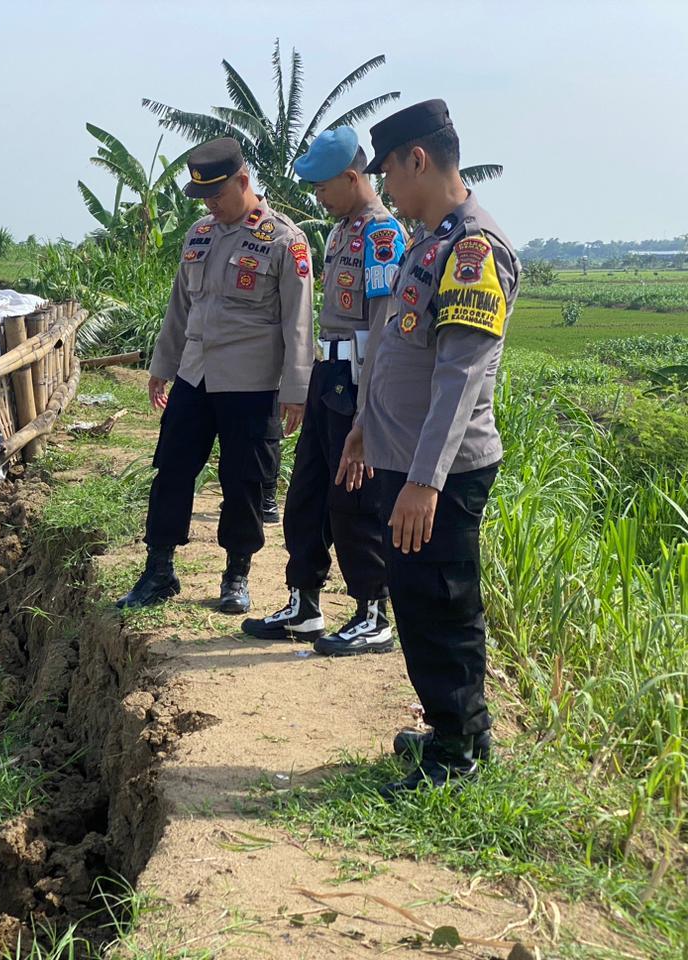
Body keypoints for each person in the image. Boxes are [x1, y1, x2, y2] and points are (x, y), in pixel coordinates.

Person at [337, 99, 520, 796]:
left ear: (417, 158)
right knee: (419, 599)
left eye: (388, 172)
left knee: (440, 601)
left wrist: (424, 481)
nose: (385, 188)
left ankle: (458, 752)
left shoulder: (473, 247)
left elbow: (460, 378)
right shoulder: (429, 238)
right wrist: (364, 425)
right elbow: (397, 350)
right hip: (404, 456)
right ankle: (456, 731)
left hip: (438, 469)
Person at [117, 136, 313, 614]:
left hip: (251, 383)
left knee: (244, 481)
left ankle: (236, 574)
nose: (210, 204)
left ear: (244, 182)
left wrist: (297, 390)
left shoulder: (285, 240)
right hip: (195, 377)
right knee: (172, 469)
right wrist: (162, 367)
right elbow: (180, 308)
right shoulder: (199, 234)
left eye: (217, 195)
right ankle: (159, 569)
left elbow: (299, 321)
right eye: (203, 197)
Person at [242, 127, 403, 655]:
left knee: (353, 496)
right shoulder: (339, 231)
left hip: (357, 379)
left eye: (322, 187)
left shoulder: (382, 234)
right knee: (307, 492)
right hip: (325, 375)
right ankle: (304, 602)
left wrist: (367, 408)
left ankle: (371, 611)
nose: (317, 198)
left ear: (352, 177)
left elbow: (382, 324)